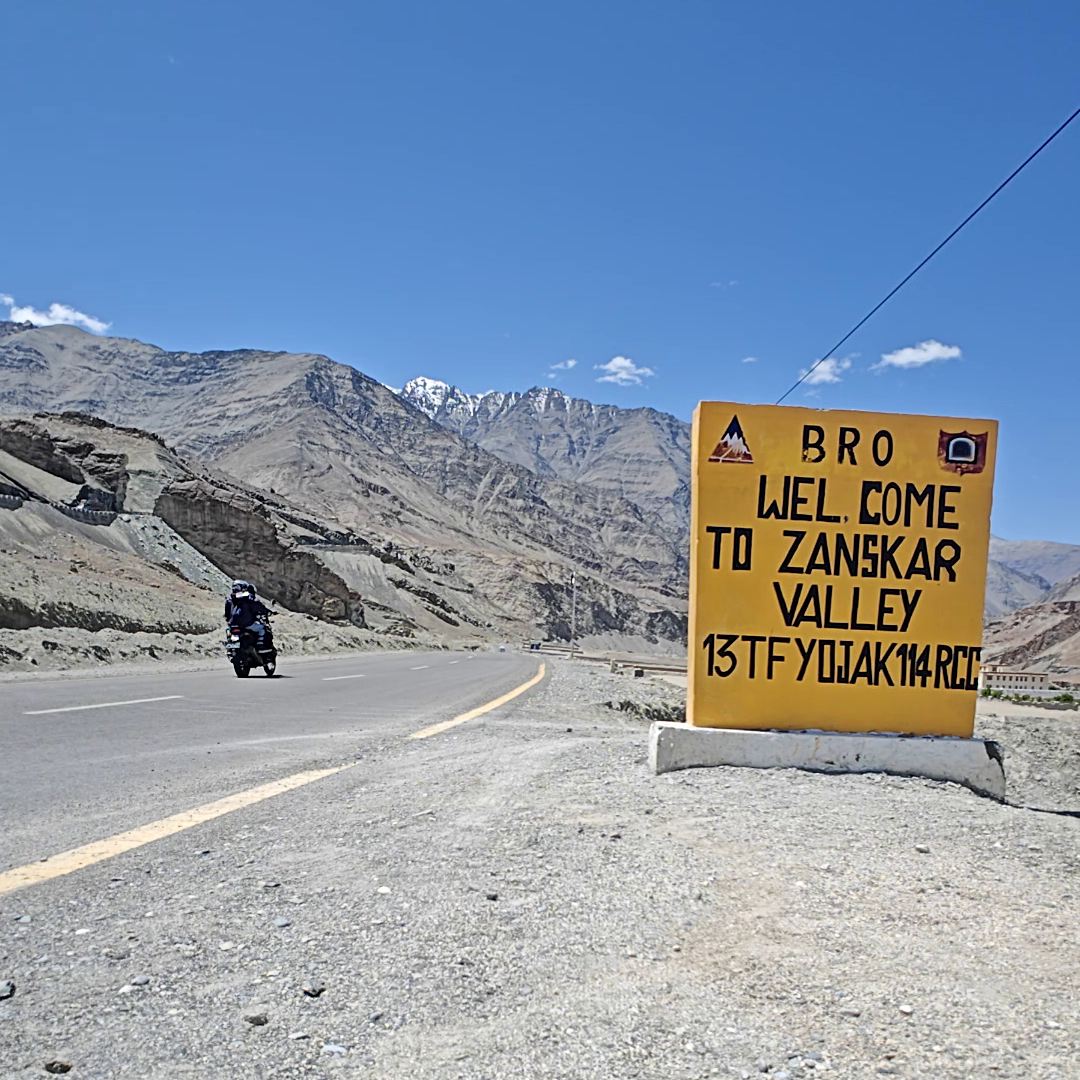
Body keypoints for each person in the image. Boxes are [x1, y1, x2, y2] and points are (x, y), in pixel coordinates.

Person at [225, 580, 271, 647]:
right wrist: (267, 612)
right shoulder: (248, 600)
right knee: (262, 629)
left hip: (233, 624)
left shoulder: (231, 600)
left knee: (229, 631)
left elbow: (227, 614)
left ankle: (231, 644)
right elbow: (259, 608)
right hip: (247, 623)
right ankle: (260, 645)